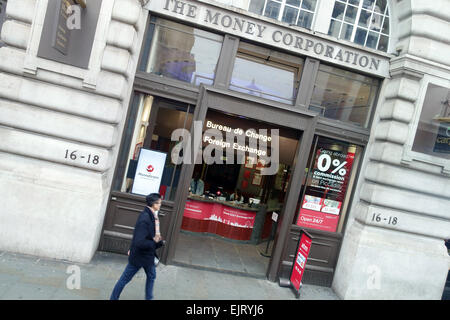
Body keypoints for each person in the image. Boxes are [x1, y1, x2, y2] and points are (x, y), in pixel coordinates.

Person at [110, 193, 164, 300]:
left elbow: (137, 236)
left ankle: (149, 298)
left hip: (147, 256)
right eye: (159, 203)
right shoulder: (145, 218)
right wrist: (155, 243)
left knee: (152, 276)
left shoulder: (151, 215)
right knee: (125, 279)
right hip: (139, 257)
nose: (160, 205)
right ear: (153, 204)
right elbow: (139, 241)